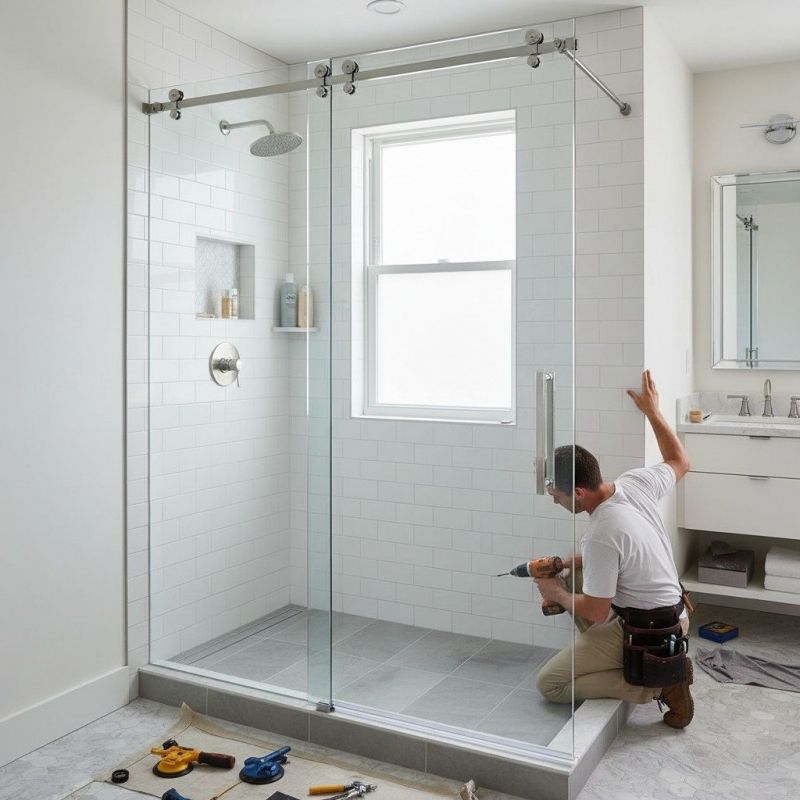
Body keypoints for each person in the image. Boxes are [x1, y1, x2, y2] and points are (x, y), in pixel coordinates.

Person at [534, 369, 694, 728]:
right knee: (575, 572)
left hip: (651, 629)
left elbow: (594, 609)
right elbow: (680, 460)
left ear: (578, 492)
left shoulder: (601, 532)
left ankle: (656, 685)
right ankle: (626, 660)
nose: (554, 502)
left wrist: (555, 592)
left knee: (551, 684)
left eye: (556, 496)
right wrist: (653, 412)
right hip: (676, 613)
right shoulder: (634, 483)